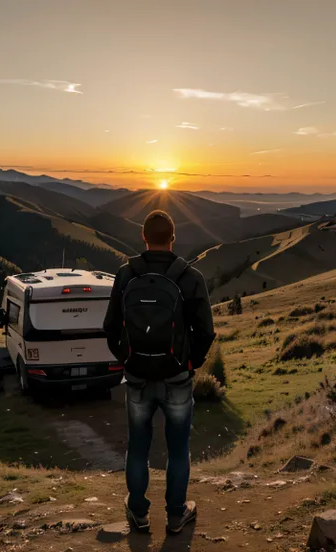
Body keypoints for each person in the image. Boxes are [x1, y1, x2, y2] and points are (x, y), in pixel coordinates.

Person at [103, 209, 216, 534]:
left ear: (143, 237)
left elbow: (110, 327)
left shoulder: (126, 275)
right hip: (177, 377)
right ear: (172, 238)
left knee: (138, 446)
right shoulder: (190, 277)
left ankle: (138, 513)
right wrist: (190, 362)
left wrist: (127, 358)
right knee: (178, 448)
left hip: (137, 376)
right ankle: (176, 515)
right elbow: (205, 332)